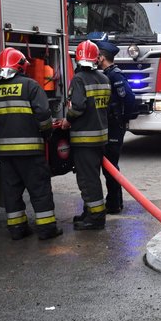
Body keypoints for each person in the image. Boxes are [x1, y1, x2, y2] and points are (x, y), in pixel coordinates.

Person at [0, 48, 61, 240]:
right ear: (21, 65)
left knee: (11, 191)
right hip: (31, 151)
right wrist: (47, 131)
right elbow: (43, 115)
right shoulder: (30, 86)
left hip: (6, 153)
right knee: (39, 189)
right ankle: (46, 230)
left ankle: (17, 229)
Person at [62, 41, 111, 230]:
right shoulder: (104, 78)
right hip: (100, 137)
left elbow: (78, 107)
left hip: (84, 139)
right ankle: (89, 212)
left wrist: (68, 120)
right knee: (93, 177)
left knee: (87, 180)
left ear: (77, 58)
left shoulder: (79, 79)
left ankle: (96, 218)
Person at [96, 39, 137, 214]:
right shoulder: (108, 74)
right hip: (111, 126)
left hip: (114, 127)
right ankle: (115, 202)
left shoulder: (114, 75)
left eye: (97, 56)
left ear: (101, 57)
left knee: (111, 167)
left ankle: (114, 204)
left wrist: (122, 120)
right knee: (109, 167)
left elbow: (128, 99)